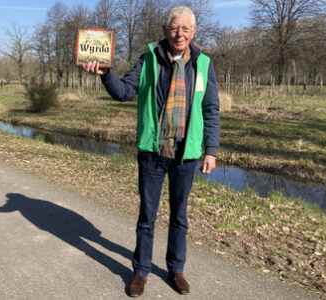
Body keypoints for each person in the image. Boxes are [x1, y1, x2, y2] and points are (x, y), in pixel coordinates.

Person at [81, 5, 220, 297]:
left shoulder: (204, 64)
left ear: (193, 32)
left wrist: (211, 150)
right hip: (153, 153)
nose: (179, 33)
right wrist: (106, 73)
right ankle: (141, 271)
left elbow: (211, 110)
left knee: (179, 216)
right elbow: (123, 92)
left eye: (185, 28)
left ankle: (175, 269)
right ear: (165, 30)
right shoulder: (148, 59)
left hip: (187, 153)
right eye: (174, 27)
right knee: (147, 215)